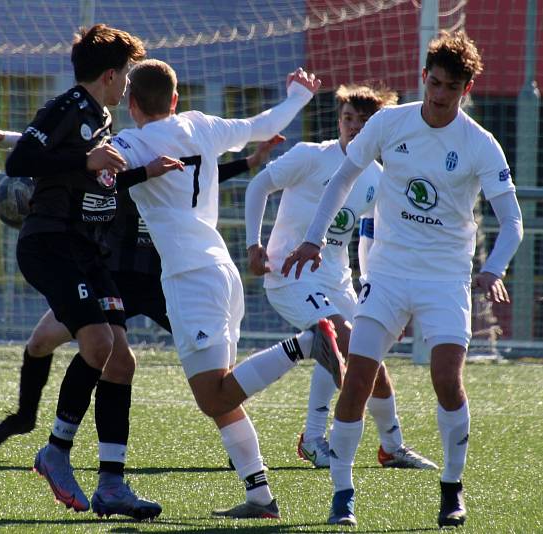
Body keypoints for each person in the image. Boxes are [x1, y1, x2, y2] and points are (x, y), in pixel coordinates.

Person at [282, 31, 523, 528]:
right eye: (433, 83)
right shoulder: (391, 123)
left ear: (467, 87)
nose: (438, 95)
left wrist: (494, 267)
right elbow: (343, 178)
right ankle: (343, 495)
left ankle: (452, 490)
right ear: (423, 78)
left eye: (450, 87)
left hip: (444, 278)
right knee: (357, 381)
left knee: (446, 380)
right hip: (387, 274)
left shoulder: (480, 144)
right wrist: (311, 237)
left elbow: (512, 221)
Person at [111, 59, 343, 519]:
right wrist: (298, 95)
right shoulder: (200, 124)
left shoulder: (130, 142)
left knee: (213, 395)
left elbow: (86, 166)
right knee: (223, 396)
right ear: (175, 100)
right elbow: (263, 126)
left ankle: (308, 343)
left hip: (189, 277)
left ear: (130, 103)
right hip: (220, 269)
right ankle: (260, 497)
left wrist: (22, 143)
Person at [0, 130, 284, 449]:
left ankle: (239, 444)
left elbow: (205, 176)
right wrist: (12, 140)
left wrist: (251, 160)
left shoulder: (173, 172)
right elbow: (69, 146)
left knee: (214, 367)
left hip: (164, 283)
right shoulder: (122, 165)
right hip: (114, 280)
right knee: (40, 342)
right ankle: (25, 416)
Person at [4, 24, 183, 520]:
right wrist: (85, 158)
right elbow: (22, 159)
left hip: (85, 252)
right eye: (127, 73)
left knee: (119, 361)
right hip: (51, 243)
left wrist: (145, 172)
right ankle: (56, 452)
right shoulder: (68, 108)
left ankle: (111, 486)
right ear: (110, 74)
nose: (129, 84)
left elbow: (100, 171)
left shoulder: (100, 118)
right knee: (101, 347)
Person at [244, 84, 437, 471]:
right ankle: (314, 438)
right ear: (340, 120)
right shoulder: (311, 156)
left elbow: (370, 235)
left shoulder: (380, 178)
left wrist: (372, 289)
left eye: (363, 121)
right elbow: (259, 184)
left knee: (369, 355)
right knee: (340, 337)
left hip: (338, 282)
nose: (353, 126)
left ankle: (391, 446)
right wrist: (254, 244)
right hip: (290, 278)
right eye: (348, 118)